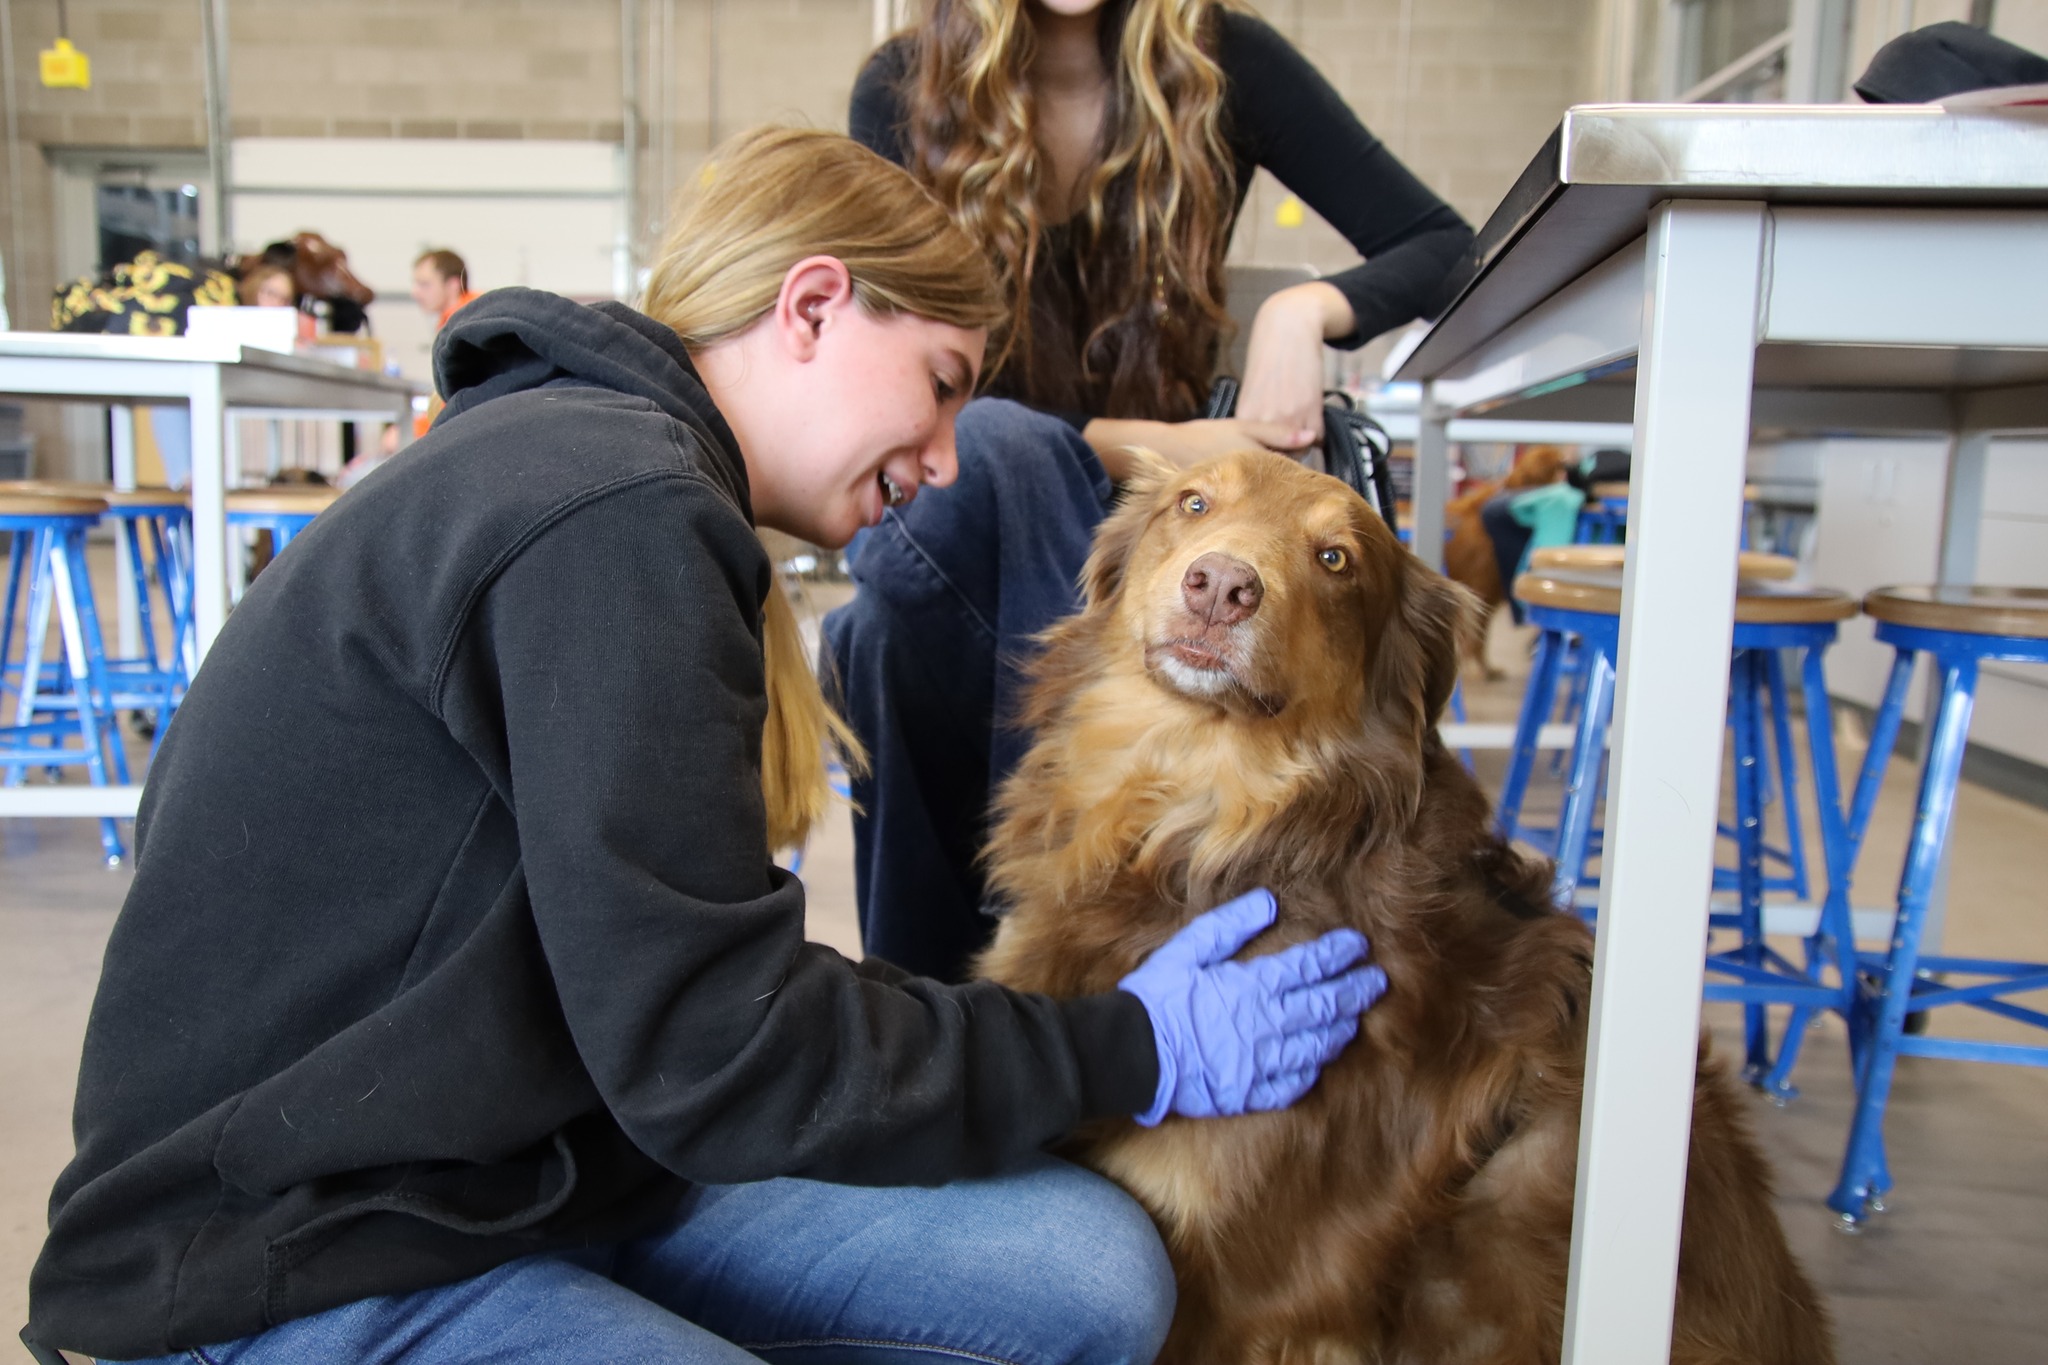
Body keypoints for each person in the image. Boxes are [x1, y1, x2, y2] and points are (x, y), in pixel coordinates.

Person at [24, 128, 1389, 1365]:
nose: (950, 459)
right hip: (292, 1248)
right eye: (942, 385)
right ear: (811, 306)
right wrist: (1128, 1049)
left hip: (530, 1157)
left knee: (1087, 1278)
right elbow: (722, 1047)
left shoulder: (613, 472)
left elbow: (689, 1020)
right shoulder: (609, 512)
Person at [826, 0, 1478, 981]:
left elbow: (1443, 244)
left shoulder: (1222, 61)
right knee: (997, 447)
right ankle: (1044, 968)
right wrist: (1157, 443)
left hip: (1146, 546)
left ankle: (946, 1008)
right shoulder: (902, 83)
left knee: (868, 638)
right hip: (944, 491)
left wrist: (1305, 311)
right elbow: (901, 374)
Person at [412, 246, 479, 329]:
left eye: (425, 284)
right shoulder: (452, 321)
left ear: (453, 285)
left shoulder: (468, 323)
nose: (415, 292)